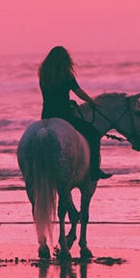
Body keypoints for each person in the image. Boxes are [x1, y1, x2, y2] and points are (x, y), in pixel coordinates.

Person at [39, 45, 111, 181]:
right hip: (64, 116)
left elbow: (52, 96)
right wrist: (91, 101)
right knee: (94, 134)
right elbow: (79, 92)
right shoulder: (66, 74)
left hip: (46, 116)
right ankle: (94, 170)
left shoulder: (44, 74)